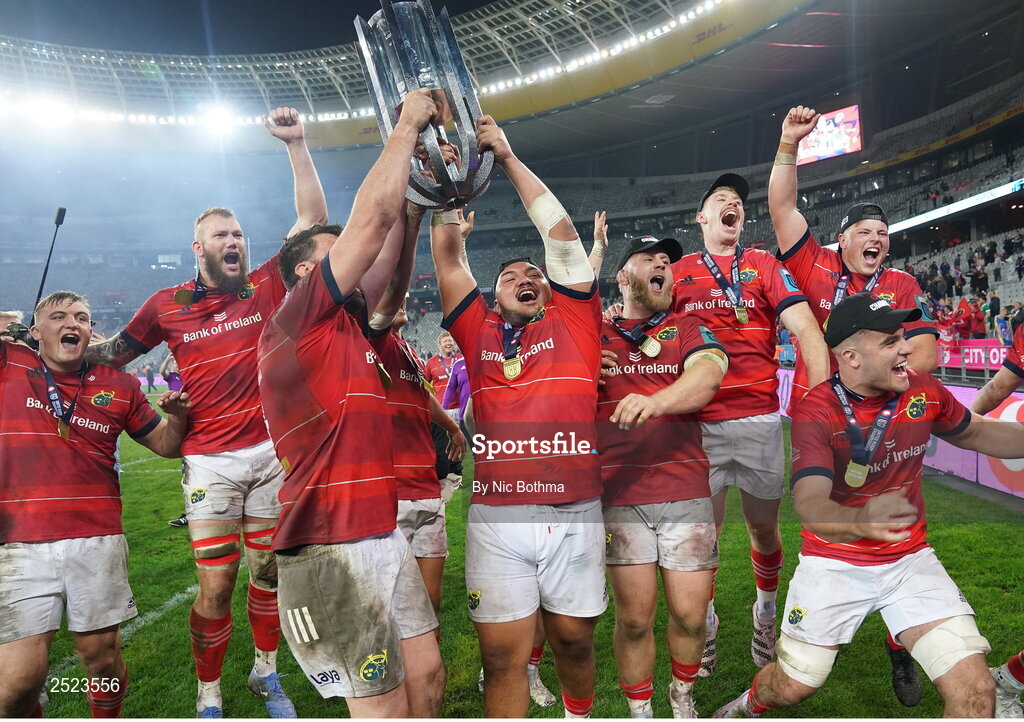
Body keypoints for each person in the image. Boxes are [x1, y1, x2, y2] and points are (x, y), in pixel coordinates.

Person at [85, 106, 327, 717]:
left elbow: (314, 223)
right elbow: (113, 355)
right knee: (217, 584)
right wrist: (43, 346)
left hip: (272, 456)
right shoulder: (166, 305)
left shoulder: (265, 286)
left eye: (239, 234)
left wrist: (296, 144)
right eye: (222, 235)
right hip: (210, 462)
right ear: (198, 248)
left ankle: (264, 673)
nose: (234, 242)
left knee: (269, 572)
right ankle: (208, 691)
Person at [713, 292, 1024, 719]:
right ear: (851, 357)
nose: (906, 348)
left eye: (903, 337)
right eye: (890, 341)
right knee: (790, 687)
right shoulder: (817, 411)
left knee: (976, 692)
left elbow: (973, 434)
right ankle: (748, 704)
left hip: (910, 561)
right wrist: (862, 520)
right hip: (834, 563)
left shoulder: (924, 389)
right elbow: (810, 505)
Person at [256, 88, 444, 718]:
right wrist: (403, 127)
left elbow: (382, 239)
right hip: (329, 545)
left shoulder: (351, 329)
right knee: (382, 709)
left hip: (380, 531)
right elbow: (368, 227)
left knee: (428, 680)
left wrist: (413, 193)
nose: (354, 265)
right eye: (333, 256)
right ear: (309, 276)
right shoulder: (296, 320)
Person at [431, 114, 605, 718]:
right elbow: (449, 262)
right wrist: (448, 190)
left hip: (576, 512)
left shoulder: (577, 322)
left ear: (552, 289)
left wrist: (503, 155)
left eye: (534, 274)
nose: (525, 278)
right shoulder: (477, 330)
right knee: (504, 661)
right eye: (509, 276)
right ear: (494, 295)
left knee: (574, 643)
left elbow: (558, 234)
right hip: (498, 519)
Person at [769, 105, 939, 705]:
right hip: (823, 415)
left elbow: (927, 346)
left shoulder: (901, 285)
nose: (877, 240)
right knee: (825, 506)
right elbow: (783, 210)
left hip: (886, 420)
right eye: (866, 232)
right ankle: (809, 617)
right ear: (842, 238)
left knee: (893, 512)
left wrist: (886, 381)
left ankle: (901, 644)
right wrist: (789, 144)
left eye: (884, 234)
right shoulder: (813, 264)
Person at [0, 291, 190, 718]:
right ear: (35, 332)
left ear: (91, 333)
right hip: (20, 541)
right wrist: (6, 324)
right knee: (17, 684)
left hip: (97, 537)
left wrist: (177, 417)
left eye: (82, 318)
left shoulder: (119, 384)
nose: (73, 323)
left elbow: (164, 445)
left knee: (101, 659)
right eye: (59, 316)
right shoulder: (9, 364)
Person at [669, 173, 829, 676]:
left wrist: (826, 401)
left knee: (765, 532)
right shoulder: (676, 272)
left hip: (760, 421)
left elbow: (804, 325)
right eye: (720, 200)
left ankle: (764, 611)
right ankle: (709, 620)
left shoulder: (763, 264)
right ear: (702, 217)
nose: (730, 205)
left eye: (737, 202)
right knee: (706, 539)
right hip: (700, 426)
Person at [598, 236, 728, 718]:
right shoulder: (595, 334)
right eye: (648, 258)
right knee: (633, 620)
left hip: (684, 490)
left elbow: (708, 377)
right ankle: (641, 711)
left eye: (666, 261)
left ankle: (682, 698)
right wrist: (583, 372)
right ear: (623, 276)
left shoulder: (688, 327)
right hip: (620, 495)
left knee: (691, 617)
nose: (661, 264)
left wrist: (656, 402)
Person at [366, 200, 467, 630]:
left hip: (426, 487)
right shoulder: (372, 341)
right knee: (388, 604)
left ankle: (424, 682)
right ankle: (389, 687)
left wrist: (450, 428)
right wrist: (412, 220)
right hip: (390, 493)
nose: (403, 295)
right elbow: (391, 293)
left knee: (430, 605)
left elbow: (419, 394)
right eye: (396, 291)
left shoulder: (406, 349)